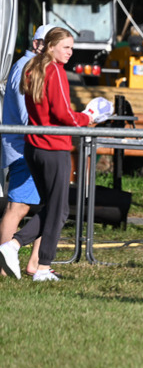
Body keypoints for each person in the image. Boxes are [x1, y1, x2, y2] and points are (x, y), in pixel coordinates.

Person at [0, 27, 93, 281]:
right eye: (66, 47)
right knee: (54, 209)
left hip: (34, 147)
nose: (70, 53)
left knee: (55, 207)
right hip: (52, 147)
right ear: (50, 47)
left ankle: (31, 259)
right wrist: (88, 117)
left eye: (72, 48)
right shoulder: (54, 71)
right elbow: (63, 114)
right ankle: (26, 255)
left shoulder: (32, 69)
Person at [0, 24, 53, 276]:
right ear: (38, 44)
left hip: (29, 146)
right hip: (25, 148)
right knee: (18, 208)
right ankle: (5, 266)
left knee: (46, 205)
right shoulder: (27, 68)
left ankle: (35, 263)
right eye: (52, 43)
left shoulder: (32, 67)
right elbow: (26, 117)